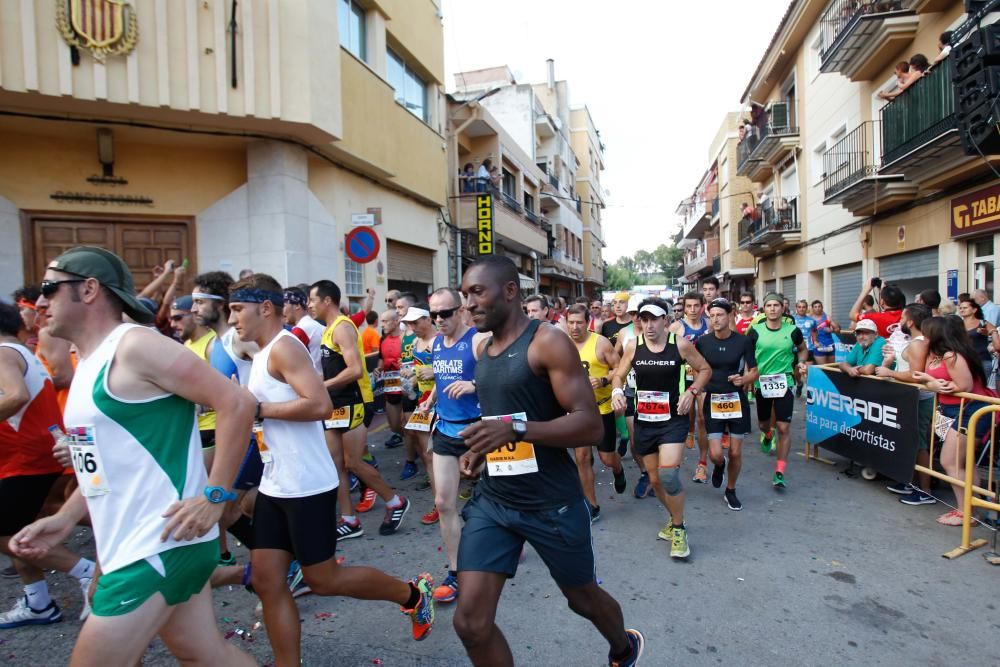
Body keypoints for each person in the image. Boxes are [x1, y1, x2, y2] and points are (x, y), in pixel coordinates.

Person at [10, 246, 257, 665]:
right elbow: (101, 463)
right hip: (139, 542)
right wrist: (65, 518)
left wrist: (216, 496)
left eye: (50, 288)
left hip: (158, 541)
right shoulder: (88, 360)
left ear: (89, 290)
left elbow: (236, 403)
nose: (39, 302)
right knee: (205, 655)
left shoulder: (135, 345)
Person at [228, 274, 435, 662]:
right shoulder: (261, 353)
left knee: (323, 579)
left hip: (306, 484)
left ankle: (412, 594)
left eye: (238, 308)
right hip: (276, 484)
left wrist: (257, 409)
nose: (232, 318)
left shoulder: (284, 349)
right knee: (270, 582)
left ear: (265, 307)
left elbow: (319, 405)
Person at [453, 256, 644, 667]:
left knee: (582, 599)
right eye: (464, 294)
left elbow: (590, 426)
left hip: (551, 503)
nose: (467, 303)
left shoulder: (547, 342)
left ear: (509, 291)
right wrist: (482, 450)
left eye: (476, 292)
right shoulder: (485, 349)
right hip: (495, 502)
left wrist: (517, 431)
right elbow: (503, 423)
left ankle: (623, 647)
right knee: (470, 623)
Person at [0, 302, 96, 629]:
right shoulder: (20, 350)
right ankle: (38, 602)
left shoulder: (3, 352)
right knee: (27, 525)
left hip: (25, 457)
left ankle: (88, 572)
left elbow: (15, 396)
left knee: (8, 533)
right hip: (32, 453)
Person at [613, 298, 711, 558]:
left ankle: (679, 529)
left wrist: (691, 391)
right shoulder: (634, 346)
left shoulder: (679, 344)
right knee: (654, 479)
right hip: (645, 420)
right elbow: (619, 374)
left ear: (666, 320)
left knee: (668, 475)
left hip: (673, 419)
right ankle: (673, 517)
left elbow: (704, 369)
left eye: (654, 319)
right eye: (643, 320)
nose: (648, 325)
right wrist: (616, 392)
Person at [310, 280, 407, 540]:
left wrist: (322, 385)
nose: (309, 305)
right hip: (333, 404)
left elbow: (354, 369)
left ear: (326, 301)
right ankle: (350, 519)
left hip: (351, 403)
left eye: (312, 300)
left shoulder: (342, 327)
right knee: (336, 464)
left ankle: (394, 501)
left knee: (353, 462)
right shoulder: (328, 329)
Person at [415, 287, 489, 604]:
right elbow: (442, 381)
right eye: (434, 315)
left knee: (501, 499)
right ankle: (456, 571)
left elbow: (503, 378)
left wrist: (474, 384)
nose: (439, 320)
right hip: (445, 430)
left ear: (460, 311)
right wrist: (431, 399)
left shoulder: (477, 341)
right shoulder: (435, 345)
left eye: (445, 313)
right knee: (444, 502)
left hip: (479, 431)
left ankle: (508, 545)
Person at [911, 316, 992, 526]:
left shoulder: (951, 355)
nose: (923, 335)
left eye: (927, 331)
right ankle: (972, 510)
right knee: (963, 462)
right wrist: (932, 382)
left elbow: (963, 386)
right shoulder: (937, 354)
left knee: (950, 461)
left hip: (968, 410)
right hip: (953, 410)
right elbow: (927, 379)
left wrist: (934, 384)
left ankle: (966, 513)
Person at [566, 305, 627, 522]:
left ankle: (618, 468)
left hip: (602, 408)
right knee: (582, 458)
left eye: (579, 322)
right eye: (570, 322)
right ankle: (592, 505)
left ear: (587, 322)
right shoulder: (561, 344)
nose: (574, 327)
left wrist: (603, 380)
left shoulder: (600, 343)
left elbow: (620, 369)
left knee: (607, 458)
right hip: (577, 411)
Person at [695, 299, 758, 511]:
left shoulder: (743, 341)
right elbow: (697, 368)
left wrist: (745, 380)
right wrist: (700, 391)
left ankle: (730, 490)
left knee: (735, 453)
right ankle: (718, 466)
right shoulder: (703, 342)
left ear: (730, 315)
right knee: (715, 454)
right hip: (712, 400)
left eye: (720, 315)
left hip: (736, 401)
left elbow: (754, 371)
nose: (715, 319)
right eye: (712, 315)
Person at [875, 304, 937, 506]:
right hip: (909, 399)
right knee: (911, 443)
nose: (899, 322)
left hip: (919, 399)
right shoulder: (914, 341)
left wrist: (890, 373)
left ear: (910, 322)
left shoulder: (918, 343)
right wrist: (890, 358)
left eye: (902, 318)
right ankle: (911, 482)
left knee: (919, 444)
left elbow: (916, 375)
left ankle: (925, 490)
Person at [748, 293, 808, 489]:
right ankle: (767, 435)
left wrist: (801, 363)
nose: (772, 309)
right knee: (764, 424)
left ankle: (780, 471)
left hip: (785, 382)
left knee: (783, 427)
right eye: (769, 305)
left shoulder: (792, 330)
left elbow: (802, 349)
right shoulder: (755, 331)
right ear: (763, 309)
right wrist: (749, 375)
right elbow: (747, 355)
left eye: (776, 305)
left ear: (783, 309)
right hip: (761, 383)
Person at [399, 306, 439, 523]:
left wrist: (433, 370)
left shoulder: (438, 342)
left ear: (427, 319)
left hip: (444, 403)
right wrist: (412, 377)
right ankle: (439, 504)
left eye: (415, 323)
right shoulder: (416, 343)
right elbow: (418, 370)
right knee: (428, 456)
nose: (411, 327)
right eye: (408, 324)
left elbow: (451, 370)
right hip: (423, 402)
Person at [670, 292, 710, 483]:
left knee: (703, 418)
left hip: (703, 376)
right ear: (684, 308)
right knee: (681, 417)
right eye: (689, 306)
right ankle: (674, 460)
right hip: (681, 378)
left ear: (702, 306)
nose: (693, 310)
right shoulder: (676, 327)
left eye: (696, 306)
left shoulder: (710, 325)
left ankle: (702, 464)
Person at [614, 296, 651, 498]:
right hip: (630, 391)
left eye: (641, 314)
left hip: (656, 393)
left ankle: (659, 473)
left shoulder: (661, 333)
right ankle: (646, 474)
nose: (637, 318)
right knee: (635, 441)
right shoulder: (623, 332)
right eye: (634, 314)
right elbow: (614, 357)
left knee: (655, 438)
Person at [378, 309, 405, 449]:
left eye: (385, 321)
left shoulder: (405, 338)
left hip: (406, 387)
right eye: (381, 321)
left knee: (407, 423)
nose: (381, 325)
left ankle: (412, 455)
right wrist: (378, 369)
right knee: (394, 425)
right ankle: (407, 439)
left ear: (396, 322)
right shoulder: (383, 339)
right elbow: (381, 359)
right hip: (390, 386)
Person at [283, 286, 324, 373]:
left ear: (297, 305)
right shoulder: (314, 325)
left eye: (283, 306)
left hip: (312, 381)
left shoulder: (301, 329)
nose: (281, 312)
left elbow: (287, 364)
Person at [957, 295, 998, 381]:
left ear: (974, 310)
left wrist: (987, 333)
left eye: (965, 308)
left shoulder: (983, 323)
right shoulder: (957, 324)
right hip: (964, 361)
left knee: (979, 386)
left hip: (982, 360)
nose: (962, 310)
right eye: (960, 308)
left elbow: (994, 332)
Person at [792, 299, 817, 395]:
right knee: (796, 372)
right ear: (796, 308)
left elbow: (815, 331)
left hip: (808, 348)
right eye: (799, 307)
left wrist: (816, 341)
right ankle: (799, 383)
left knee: (808, 371)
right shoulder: (792, 320)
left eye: (803, 307)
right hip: (795, 349)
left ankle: (809, 393)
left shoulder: (811, 320)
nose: (801, 309)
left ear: (806, 308)